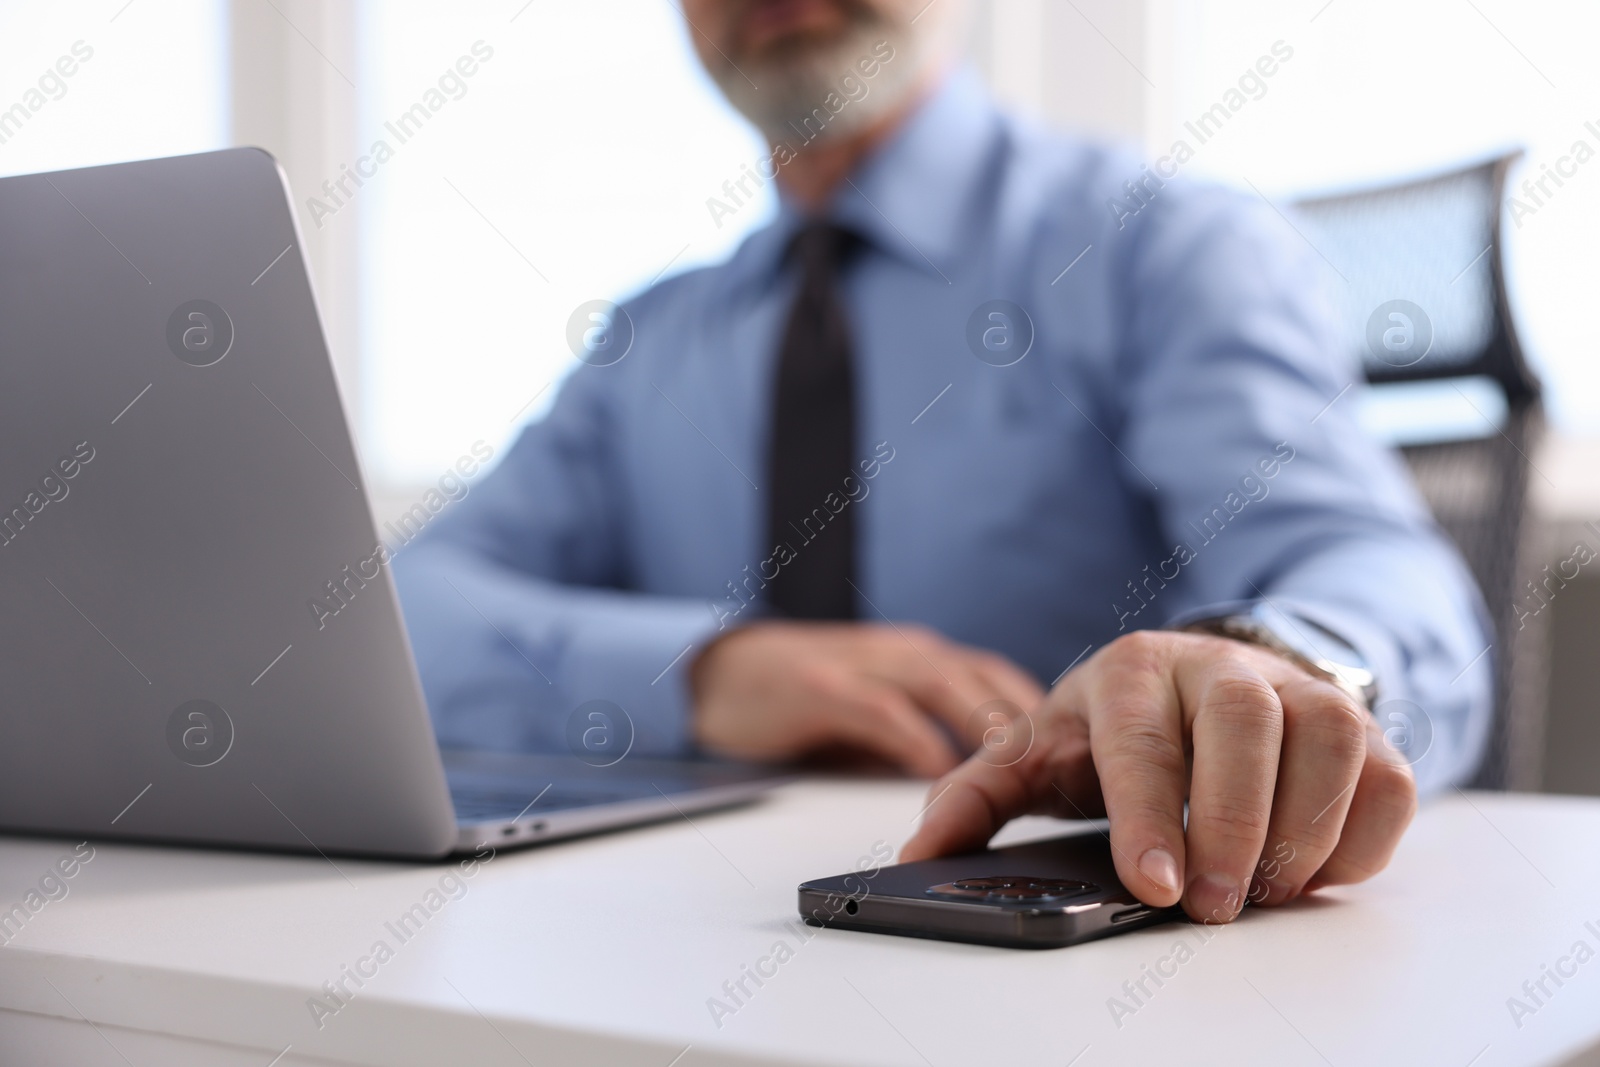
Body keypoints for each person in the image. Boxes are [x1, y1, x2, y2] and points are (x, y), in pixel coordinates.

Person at [394, 0, 1492, 923]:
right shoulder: (644, 344)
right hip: (699, 934)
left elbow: (1379, 577)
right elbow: (403, 608)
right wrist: (702, 671)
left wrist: (1272, 666)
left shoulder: (1167, 247)